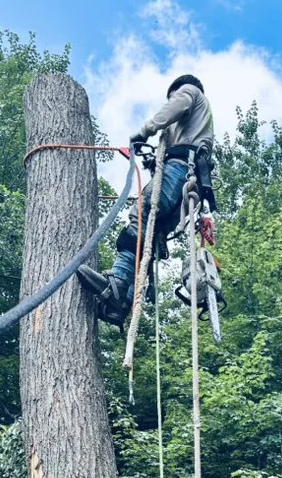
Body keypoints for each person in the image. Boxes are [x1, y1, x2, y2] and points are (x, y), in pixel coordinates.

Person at [79, 74, 215, 326]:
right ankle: (120, 305)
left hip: (180, 170)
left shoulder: (190, 93)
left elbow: (176, 106)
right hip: (186, 185)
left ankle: (118, 283)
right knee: (148, 240)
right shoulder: (199, 125)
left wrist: (143, 132)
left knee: (140, 213)